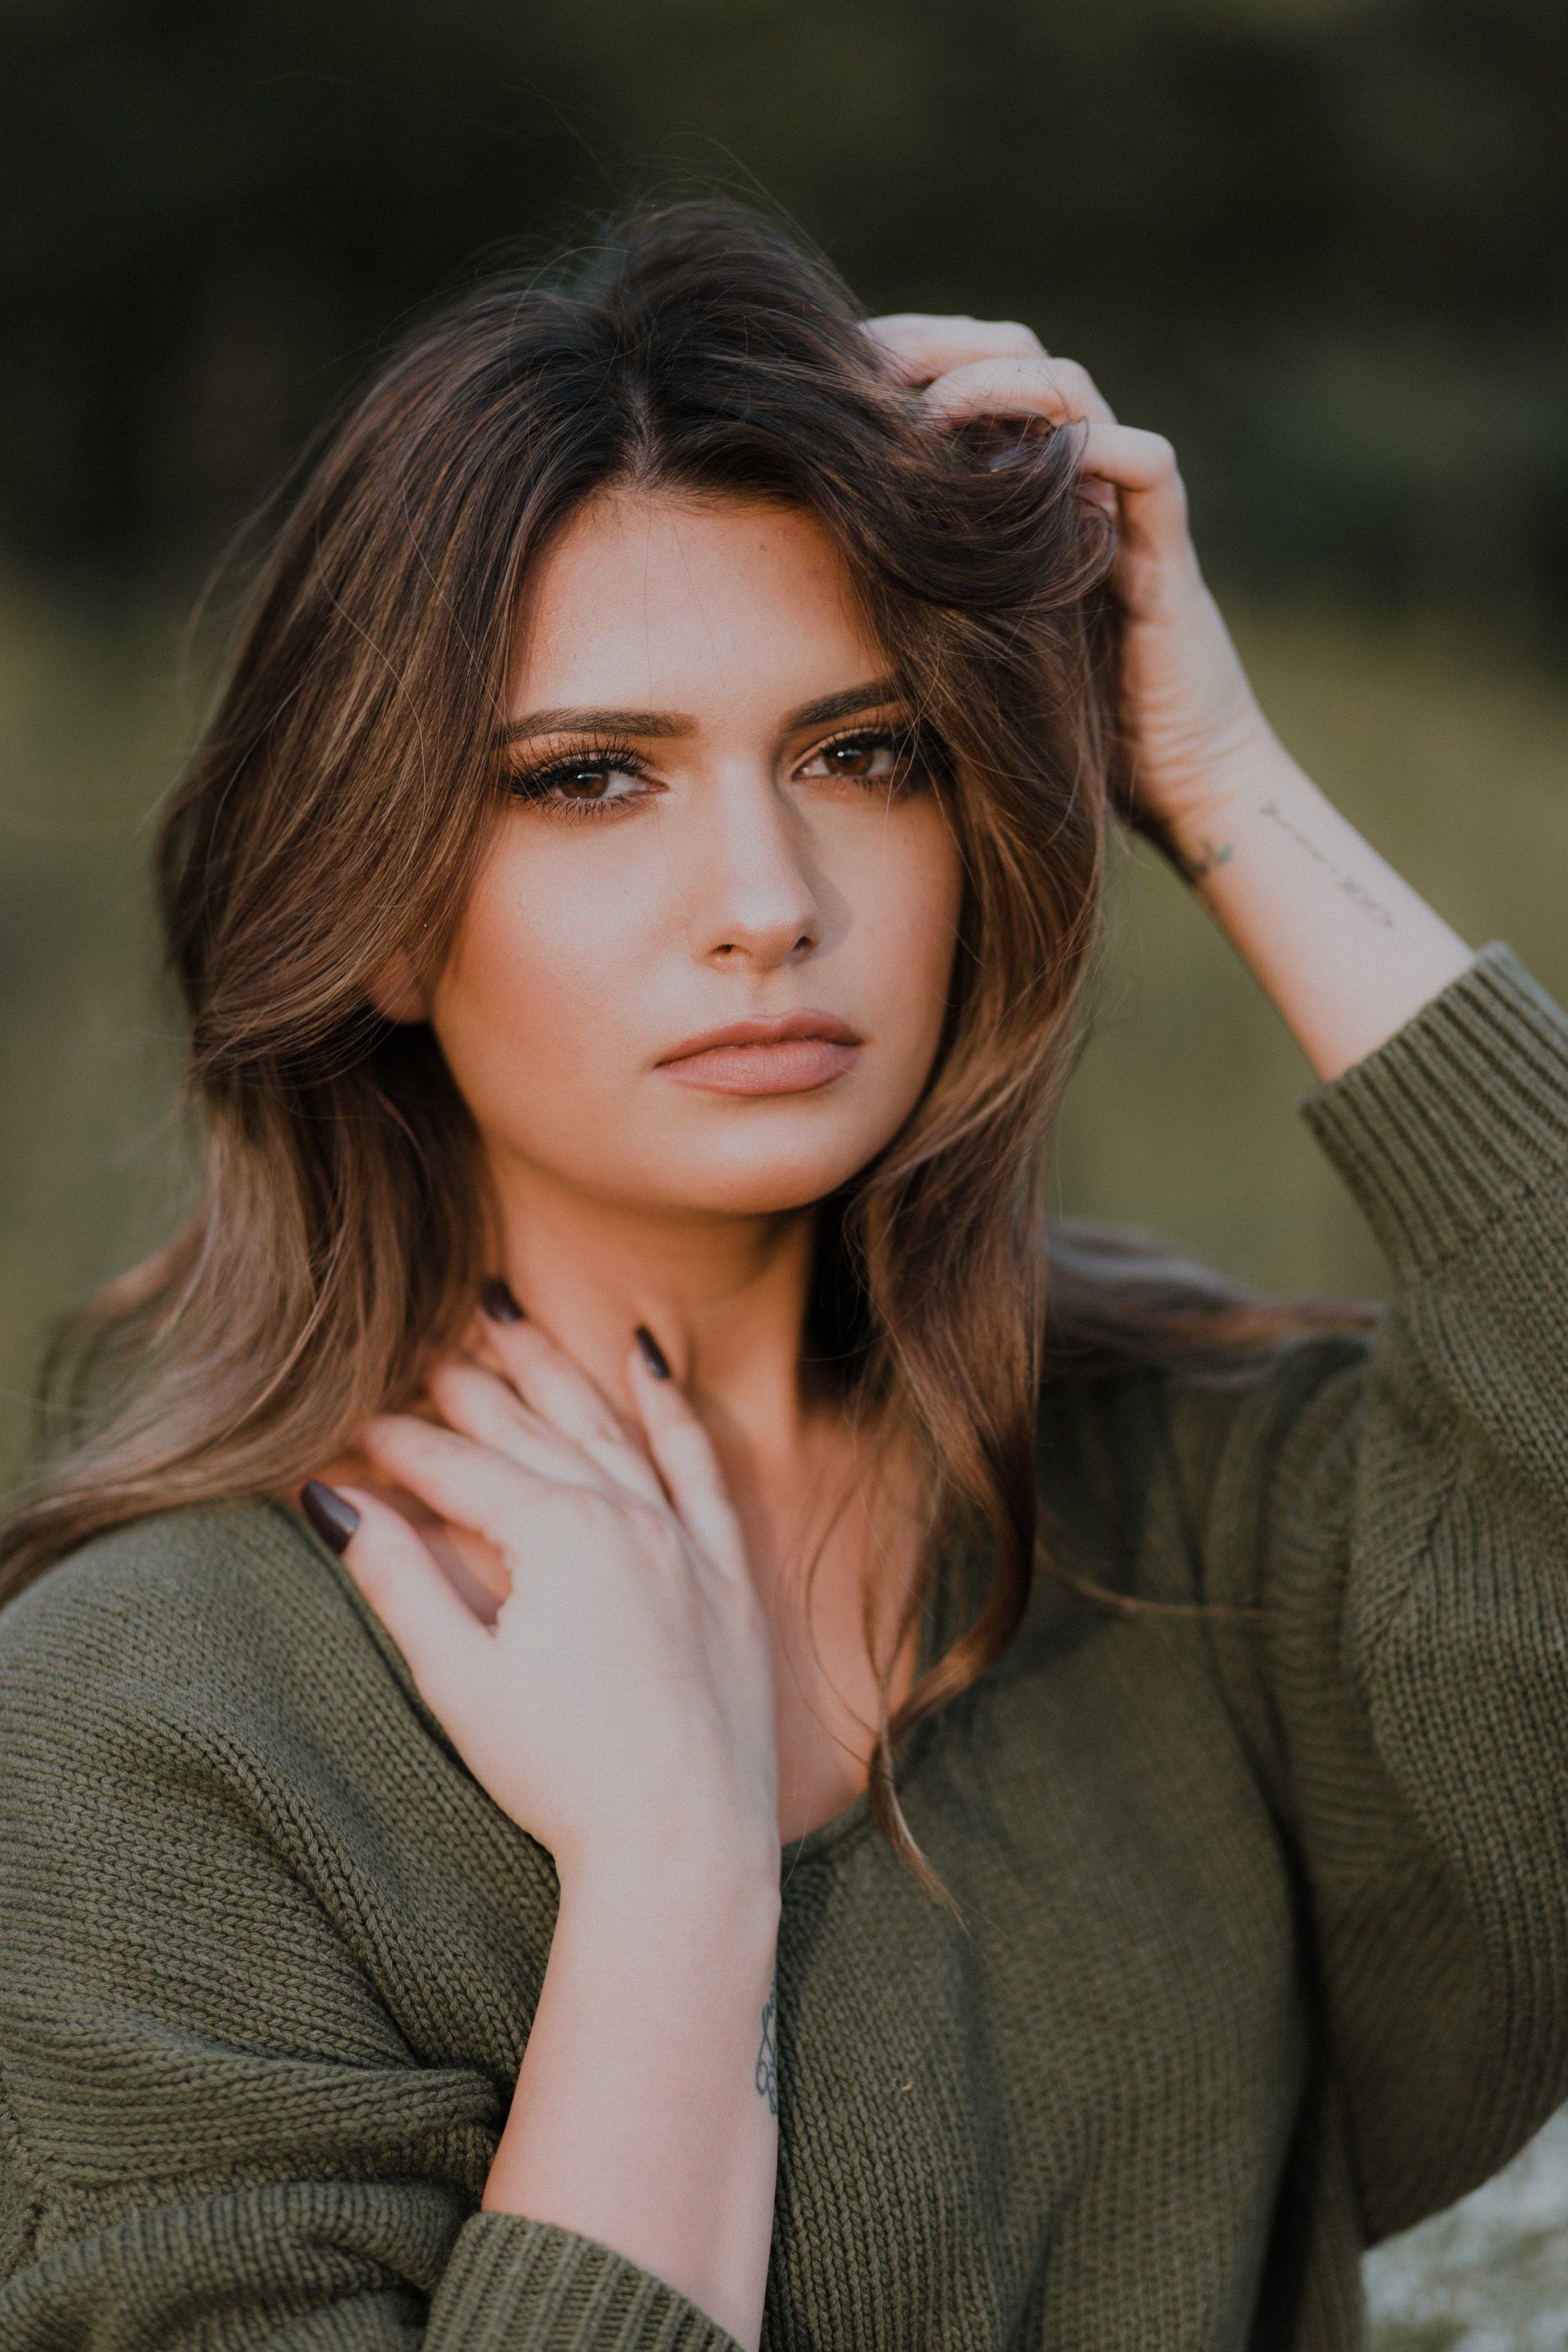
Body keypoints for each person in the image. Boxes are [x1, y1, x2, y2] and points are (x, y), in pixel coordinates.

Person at [0, 203, 1564, 2352]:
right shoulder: (162, 1726)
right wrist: (667, 1886)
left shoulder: (1205, 1521)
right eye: (589, 779)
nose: (765, 897)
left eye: (866, 753)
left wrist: (1217, 778)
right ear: (368, 903)